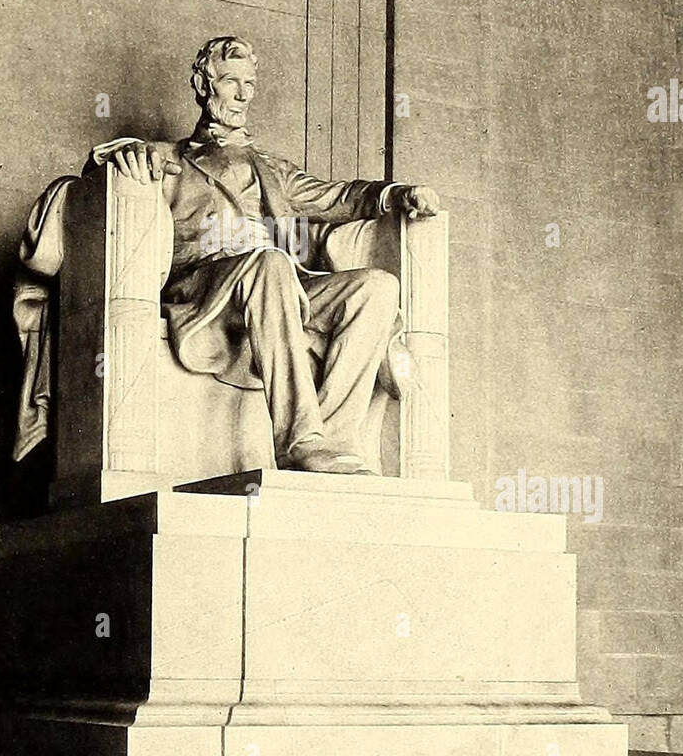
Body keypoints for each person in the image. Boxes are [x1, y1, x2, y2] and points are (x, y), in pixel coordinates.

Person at [89, 35, 440, 475]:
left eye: (249, 83)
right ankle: (299, 440)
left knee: (376, 288)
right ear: (204, 85)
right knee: (270, 262)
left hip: (277, 285)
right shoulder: (168, 156)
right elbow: (98, 174)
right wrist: (126, 154)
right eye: (230, 81)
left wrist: (397, 194)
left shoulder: (273, 168)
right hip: (205, 284)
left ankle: (332, 439)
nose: (242, 94)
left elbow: (341, 197)